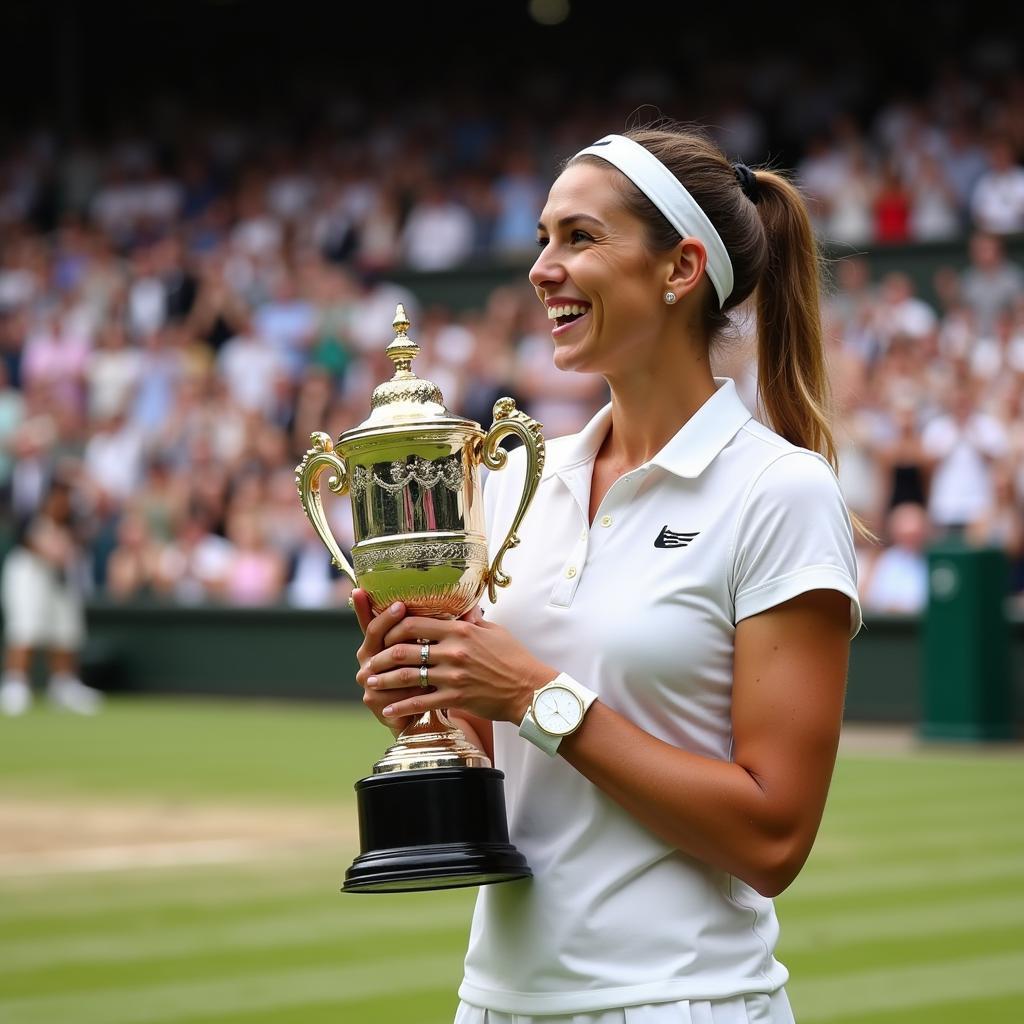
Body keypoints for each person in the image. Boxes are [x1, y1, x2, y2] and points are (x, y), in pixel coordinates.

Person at [352, 126, 861, 1024]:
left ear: (679, 270)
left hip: (685, 1001)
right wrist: (429, 695)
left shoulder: (782, 491)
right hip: (495, 1002)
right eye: (545, 237)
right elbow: (498, 751)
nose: (544, 267)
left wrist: (537, 695)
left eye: (580, 238)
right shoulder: (514, 477)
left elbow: (774, 835)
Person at [0, 473, 103, 715]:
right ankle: (15, 685)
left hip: (59, 580)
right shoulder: (31, 518)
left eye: (67, 498)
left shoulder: (73, 525)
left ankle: (64, 685)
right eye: (59, 496)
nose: (63, 502)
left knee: (66, 631)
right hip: (28, 576)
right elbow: (42, 548)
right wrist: (57, 550)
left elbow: (69, 552)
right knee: (26, 627)